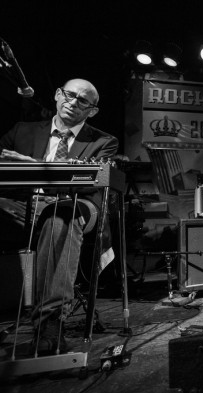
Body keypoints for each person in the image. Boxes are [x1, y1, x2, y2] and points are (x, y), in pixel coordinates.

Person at [0, 78, 119, 354]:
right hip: (22, 205)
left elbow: (91, 185)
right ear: (57, 94)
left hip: (77, 205)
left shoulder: (103, 141)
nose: (73, 102)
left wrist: (40, 168)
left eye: (83, 101)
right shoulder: (22, 131)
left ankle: (50, 325)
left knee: (60, 216)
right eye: (69, 95)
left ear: (92, 110)